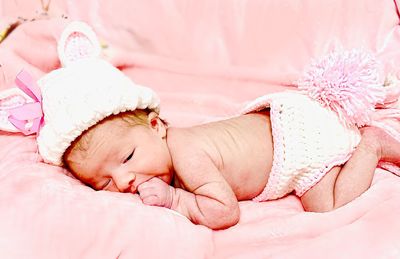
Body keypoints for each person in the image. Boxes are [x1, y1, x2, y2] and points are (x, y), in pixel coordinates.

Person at [1, 22, 400, 230]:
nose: (123, 180)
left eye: (126, 157)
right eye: (102, 182)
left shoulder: (188, 155)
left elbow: (224, 212)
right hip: (281, 123)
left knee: (328, 206)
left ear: (157, 125)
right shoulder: (165, 153)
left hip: (298, 143)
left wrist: (177, 202)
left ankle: (373, 145)